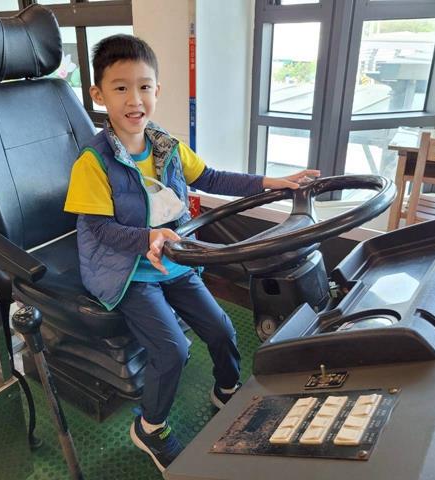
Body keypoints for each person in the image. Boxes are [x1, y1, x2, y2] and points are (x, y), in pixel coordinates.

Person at [63, 34, 320, 472]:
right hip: (129, 272)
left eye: (144, 86)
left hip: (174, 261)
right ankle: (149, 427)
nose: (134, 99)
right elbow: (99, 230)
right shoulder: (94, 161)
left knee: (221, 328)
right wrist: (148, 237)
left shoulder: (166, 146)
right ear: (98, 95)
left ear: (158, 90)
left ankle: (226, 390)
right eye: (121, 88)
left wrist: (270, 182)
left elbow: (212, 177)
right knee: (172, 350)